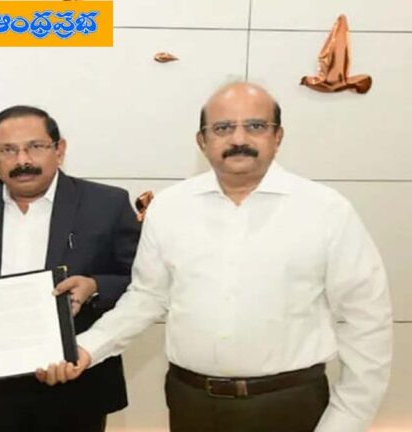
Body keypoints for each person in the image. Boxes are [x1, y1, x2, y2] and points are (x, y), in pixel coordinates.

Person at [39, 82, 393, 432]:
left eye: (255, 126)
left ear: (278, 136)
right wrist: (85, 347)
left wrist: (347, 420)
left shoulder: (325, 210)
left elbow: (366, 321)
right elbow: (147, 297)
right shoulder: (170, 208)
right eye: (223, 128)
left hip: (290, 405)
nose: (239, 138)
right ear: (202, 141)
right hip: (192, 404)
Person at [0, 105, 141, 432]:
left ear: (59, 150)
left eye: (35, 147)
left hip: (76, 378)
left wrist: (94, 286)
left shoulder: (106, 204)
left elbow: (140, 283)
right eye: (8, 150)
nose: (22, 160)